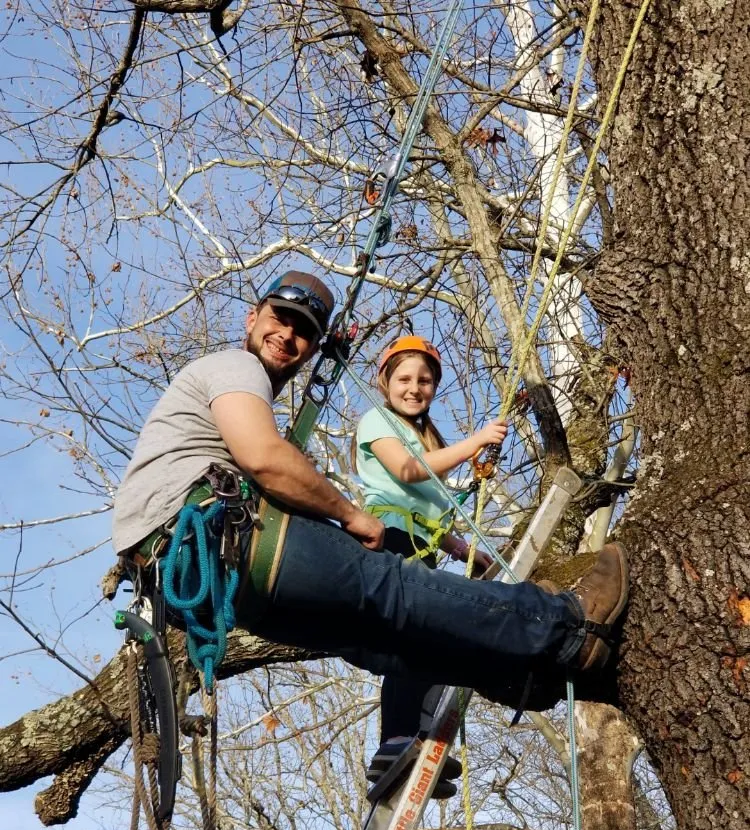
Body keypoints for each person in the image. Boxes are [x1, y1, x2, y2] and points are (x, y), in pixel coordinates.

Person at [113, 270, 629, 762]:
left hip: (197, 577)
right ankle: (564, 627)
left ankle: (519, 675)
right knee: (393, 589)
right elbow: (265, 459)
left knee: (376, 637)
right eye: (279, 318)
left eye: (303, 332)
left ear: (313, 347)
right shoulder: (234, 366)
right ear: (253, 318)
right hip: (208, 533)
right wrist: (350, 516)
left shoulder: (240, 390)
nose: (287, 335)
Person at [354, 335, 509, 797]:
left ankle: (420, 740)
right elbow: (407, 472)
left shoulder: (428, 437)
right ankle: (398, 736)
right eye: (404, 378)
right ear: (384, 382)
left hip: (422, 546)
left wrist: (466, 551)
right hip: (389, 541)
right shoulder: (377, 420)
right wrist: (477, 440)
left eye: (424, 379)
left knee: (436, 640)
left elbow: (430, 510)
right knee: (409, 639)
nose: (414, 387)